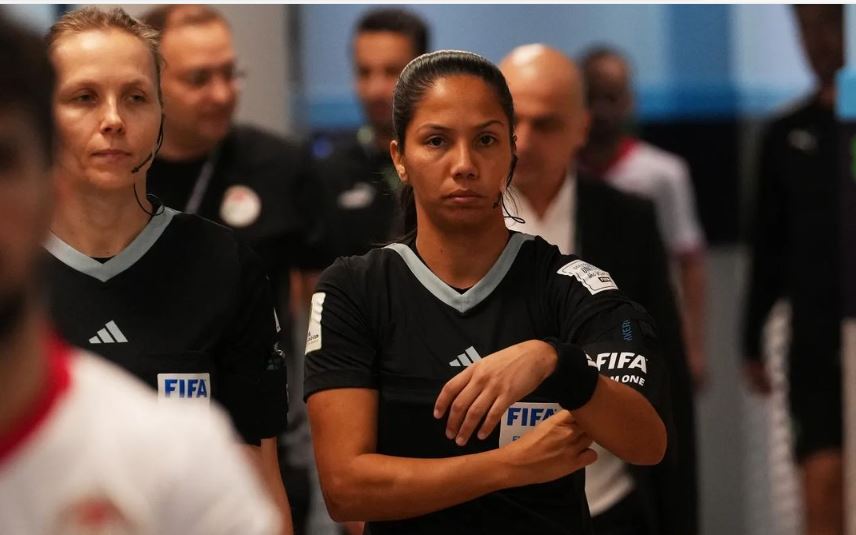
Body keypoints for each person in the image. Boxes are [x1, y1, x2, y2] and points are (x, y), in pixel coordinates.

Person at [304, 49, 668, 534]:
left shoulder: (570, 284)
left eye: (486, 140)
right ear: (400, 158)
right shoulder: (355, 290)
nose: (464, 164)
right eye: (436, 141)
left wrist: (556, 362)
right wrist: (513, 466)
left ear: (511, 154)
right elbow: (346, 488)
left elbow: (647, 442)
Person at [0, 12, 279, 534]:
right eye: (84, 97)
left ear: (161, 113)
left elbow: (257, 482)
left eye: (135, 97)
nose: (113, 120)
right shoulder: (12, 270)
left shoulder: (223, 263)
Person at [500, 44, 697, 535]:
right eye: (511, 121)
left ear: (581, 127)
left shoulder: (627, 220)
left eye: (544, 124)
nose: (523, 140)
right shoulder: (458, 219)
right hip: (489, 500)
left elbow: (663, 366)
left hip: (609, 494)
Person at [742, 5, 844, 535]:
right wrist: (750, 340)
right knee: (822, 478)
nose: (822, 41)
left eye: (832, 23)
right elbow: (769, 245)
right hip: (815, 340)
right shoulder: (785, 133)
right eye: (806, 28)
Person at [578, 47, 708, 390]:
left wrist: (692, 345)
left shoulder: (662, 174)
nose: (602, 110)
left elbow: (689, 261)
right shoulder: (564, 176)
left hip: (648, 325)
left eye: (612, 97)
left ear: (629, 100)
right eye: (593, 97)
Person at [313, 7, 430, 258]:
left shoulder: (450, 163)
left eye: (391, 72)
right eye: (364, 72)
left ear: (423, 73)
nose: (375, 89)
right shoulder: (328, 172)